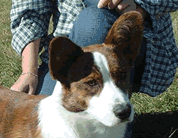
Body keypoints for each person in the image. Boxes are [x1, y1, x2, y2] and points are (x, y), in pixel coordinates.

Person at [10, 0, 178, 98]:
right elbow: (31, 12)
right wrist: (29, 72)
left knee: (93, 22)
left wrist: (139, 6)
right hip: (69, 48)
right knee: (39, 120)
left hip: (135, 41)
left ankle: (111, 121)